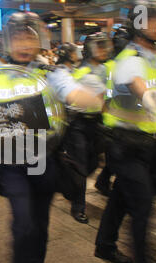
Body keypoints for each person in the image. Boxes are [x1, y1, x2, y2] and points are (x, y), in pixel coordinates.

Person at [0, 11, 102, 263]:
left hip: (45, 158)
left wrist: (96, 100)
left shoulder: (51, 73)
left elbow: (71, 91)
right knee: (23, 224)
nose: (25, 43)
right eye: (18, 37)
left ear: (39, 40)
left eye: (30, 36)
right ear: (8, 41)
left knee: (40, 224)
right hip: (11, 161)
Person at [94, 2, 156, 263]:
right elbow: (145, 93)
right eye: (154, 21)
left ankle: (104, 245)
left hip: (143, 145)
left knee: (120, 199)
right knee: (142, 208)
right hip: (125, 145)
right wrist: (155, 104)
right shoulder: (130, 60)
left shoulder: (152, 58)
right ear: (139, 26)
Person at [59, 33, 109, 224]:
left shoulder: (106, 69)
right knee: (80, 167)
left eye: (105, 46)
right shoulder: (79, 72)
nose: (104, 50)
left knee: (94, 163)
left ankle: (70, 186)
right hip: (78, 123)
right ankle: (78, 206)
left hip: (97, 123)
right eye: (100, 47)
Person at [94, 26, 132, 196]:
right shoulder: (108, 66)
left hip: (121, 117)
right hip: (112, 119)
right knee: (117, 159)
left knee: (117, 159)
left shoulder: (117, 64)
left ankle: (103, 181)